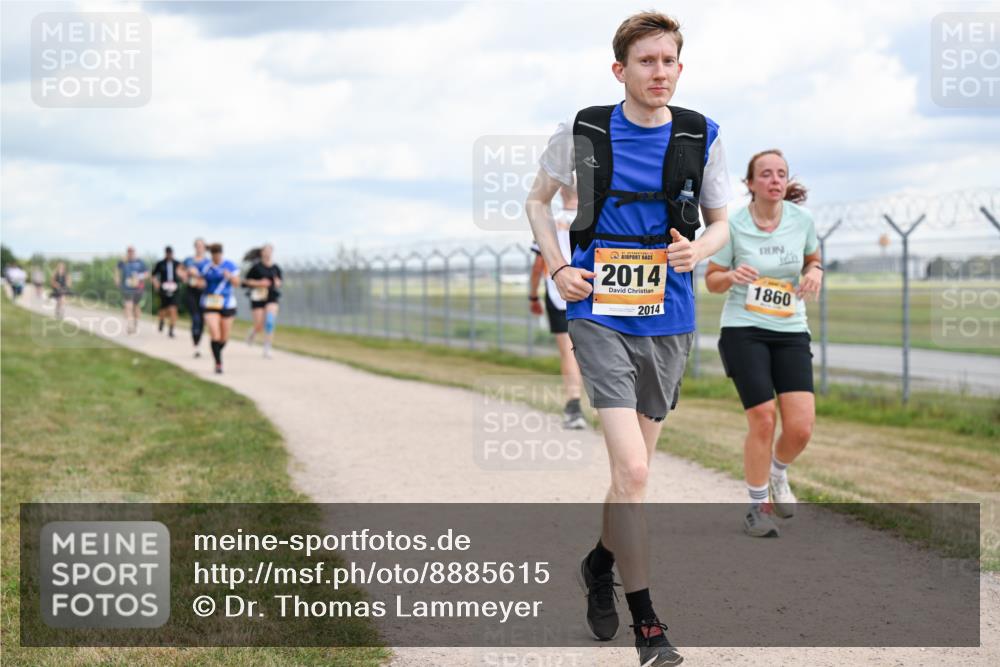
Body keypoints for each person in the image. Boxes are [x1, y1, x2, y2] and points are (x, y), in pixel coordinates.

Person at [526, 12, 731, 666]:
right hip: (599, 313)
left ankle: (599, 560)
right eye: (646, 62)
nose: (659, 72)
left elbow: (721, 221)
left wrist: (698, 247)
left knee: (628, 475)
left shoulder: (702, 134)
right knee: (636, 469)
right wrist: (560, 268)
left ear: (680, 66)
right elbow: (537, 201)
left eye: (669, 61)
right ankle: (649, 625)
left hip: (668, 318)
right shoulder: (584, 130)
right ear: (621, 70)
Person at [704, 149, 822, 538]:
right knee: (763, 417)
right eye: (766, 174)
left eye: (781, 174)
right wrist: (732, 275)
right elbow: (712, 279)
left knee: (801, 427)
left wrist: (815, 272)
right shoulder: (734, 225)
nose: (775, 180)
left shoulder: (801, 220)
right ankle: (756, 507)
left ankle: (778, 472)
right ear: (751, 183)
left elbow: (812, 259)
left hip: (790, 329)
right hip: (744, 328)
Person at [529, 181, 587, 429]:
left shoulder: (551, 221)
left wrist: (532, 295)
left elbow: (539, 266)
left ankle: (574, 406)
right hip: (591, 292)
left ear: (561, 192)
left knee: (568, 352)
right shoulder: (593, 218)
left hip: (559, 292)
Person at [197, 243, 240, 374]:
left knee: (224, 338)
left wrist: (230, 277)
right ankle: (218, 363)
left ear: (222, 253)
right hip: (210, 303)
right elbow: (198, 282)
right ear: (212, 255)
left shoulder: (230, 265)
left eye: (219, 254)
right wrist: (201, 283)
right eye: (214, 254)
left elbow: (237, 283)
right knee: (215, 333)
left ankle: (217, 351)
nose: (216, 256)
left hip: (227, 303)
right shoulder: (205, 267)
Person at [243, 243, 283, 358]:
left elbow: (280, 282)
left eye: (270, 251)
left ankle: (267, 347)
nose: (268, 253)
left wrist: (277, 283)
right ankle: (253, 333)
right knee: (259, 325)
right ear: (262, 253)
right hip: (258, 296)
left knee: (270, 322)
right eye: (266, 251)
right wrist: (259, 283)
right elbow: (246, 282)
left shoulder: (276, 268)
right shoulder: (256, 267)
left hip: (271, 296)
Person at [182, 239, 209, 358]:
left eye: (201, 246)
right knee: (195, 318)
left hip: (203, 293)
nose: (199, 248)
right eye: (197, 246)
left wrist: (201, 279)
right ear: (194, 247)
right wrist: (184, 275)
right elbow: (180, 270)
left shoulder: (209, 262)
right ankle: (196, 345)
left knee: (202, 319)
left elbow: (211, 277)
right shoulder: (189, 260)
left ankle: (198, 343)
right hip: (191, 292)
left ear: (205, 248)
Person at [115, 247, 148, 334]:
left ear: (134, 252)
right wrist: (117, 279)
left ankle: (135, 323)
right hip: (127, 287)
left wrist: (139, 277)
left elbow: (147, 273)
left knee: (136, 306)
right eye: (129, 252)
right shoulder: (123, 261)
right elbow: (117, 270)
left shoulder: (140, 262)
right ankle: (130, 325)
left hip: (138, 288)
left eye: (132, 252)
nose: (130, 253)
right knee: (128, 305)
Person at [152, 246, 182, 338]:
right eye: (168, 253)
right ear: (165, 253)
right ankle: (161, 321)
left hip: (174, 289)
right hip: (163, 288)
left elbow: (183, 274)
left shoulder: (177, 264)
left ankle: (171, 330)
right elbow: (153, 275)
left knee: (173, 309)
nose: (169, 255)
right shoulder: (160, 263)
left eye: (171, 253)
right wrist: (156, 284)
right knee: (163, 309)